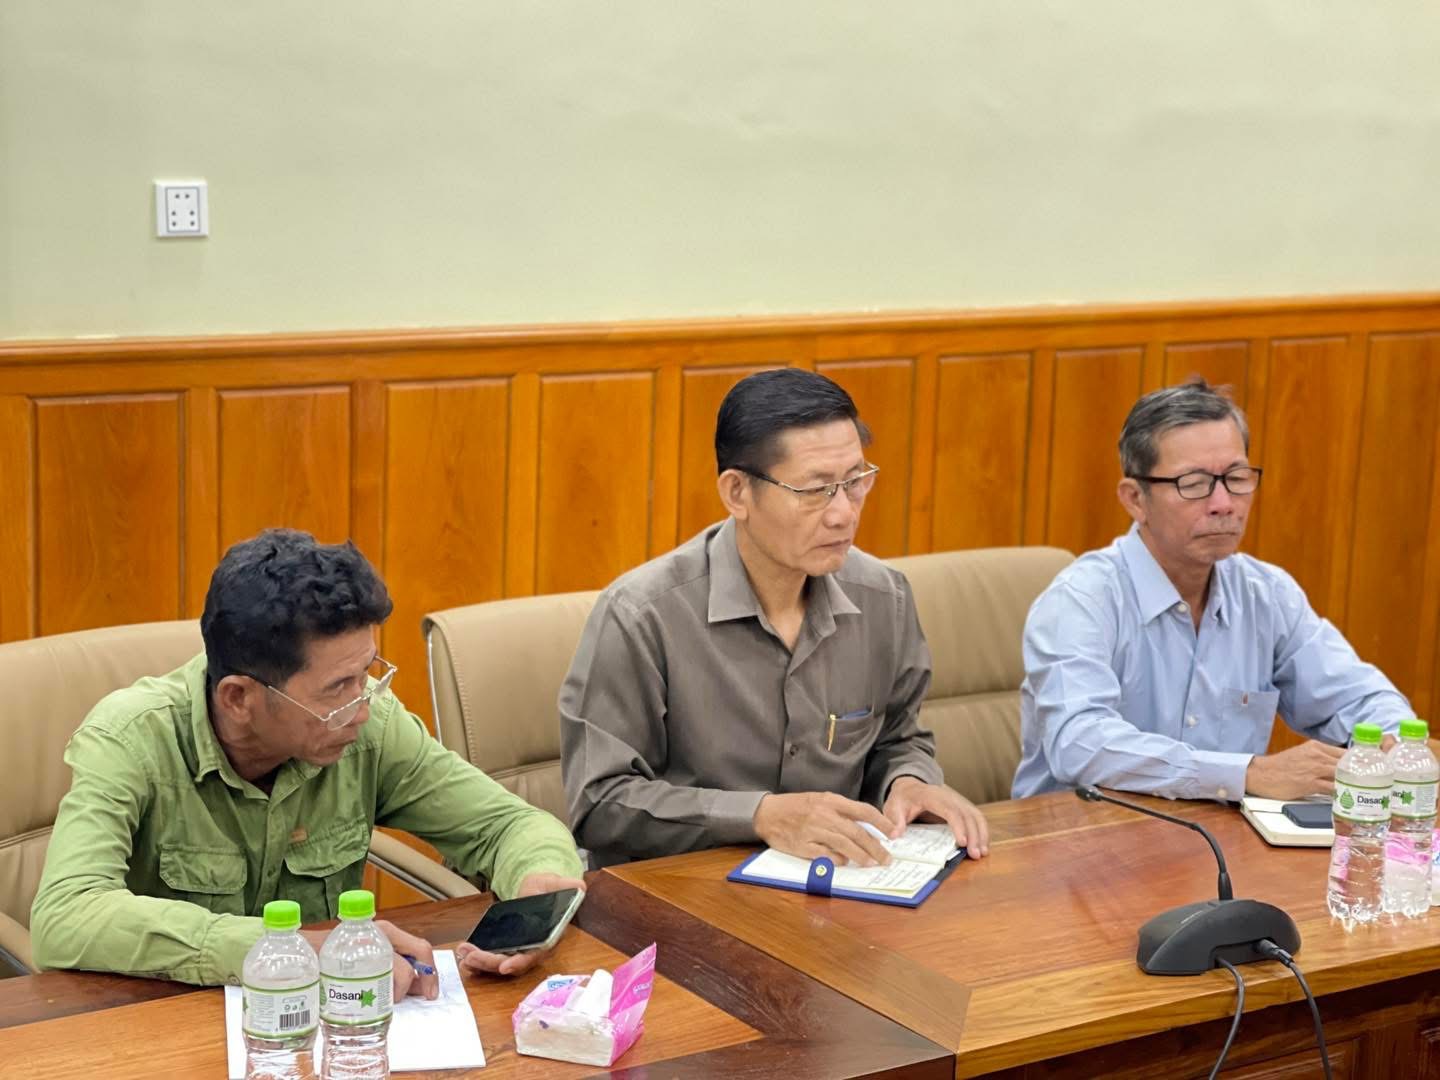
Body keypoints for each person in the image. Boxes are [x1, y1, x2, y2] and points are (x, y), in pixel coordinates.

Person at [31, 528, 584, 992]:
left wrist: (537, 877)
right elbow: (66, 914)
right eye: (336, 688)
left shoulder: (371, 725)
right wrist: (287, 951)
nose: (361, 708)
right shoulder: (131, 738)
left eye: (367, 673)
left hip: (334, 1027)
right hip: (165, 1026)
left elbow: (508, 825)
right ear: (239, 698)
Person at [561, 368, 989, 869]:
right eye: (815, 490)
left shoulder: (883, 598)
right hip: (680, 891)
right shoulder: (641, 615)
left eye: (855, 482)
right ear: (737, 493)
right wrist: (758, 816)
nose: (844, 513)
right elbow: (600, 802)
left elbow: (898, 739)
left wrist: (909, 781)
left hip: (835, 890)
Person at [1012, 378, 1410, 801]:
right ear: (1135, 499)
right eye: (1194, 483)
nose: (1224, 504)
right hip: (1085, 833)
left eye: (1236, 477)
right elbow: (1081, 743)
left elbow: (1357, 697)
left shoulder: (1266, 594)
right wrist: (1245, 774)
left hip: (1218, 832)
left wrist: (1396, 745)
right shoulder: (1081, 600)